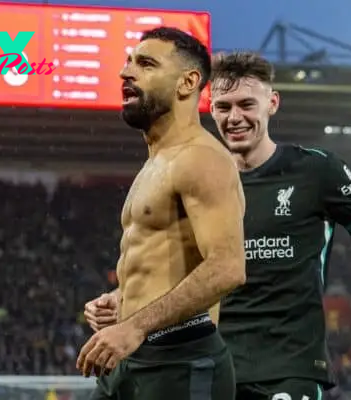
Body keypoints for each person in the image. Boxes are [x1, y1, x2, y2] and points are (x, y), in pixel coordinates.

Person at [208, 51, 351, 399]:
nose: (234, 117)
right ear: (210, 108)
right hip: (215, 368)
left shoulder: (316, 171)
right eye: (223, 106)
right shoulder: (203, 182)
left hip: (290, 370)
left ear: (273, 103)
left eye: (246, 104)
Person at [76, 27, 246, 400]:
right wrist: (122, 298)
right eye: (128, 62)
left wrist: (134, 326)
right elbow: (170, 260)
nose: (126, 72)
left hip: (180, 363)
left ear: (188, 83)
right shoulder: (158, 161)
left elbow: (228, 267)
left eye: (146, 64)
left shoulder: (202, 158)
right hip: (131, 357)